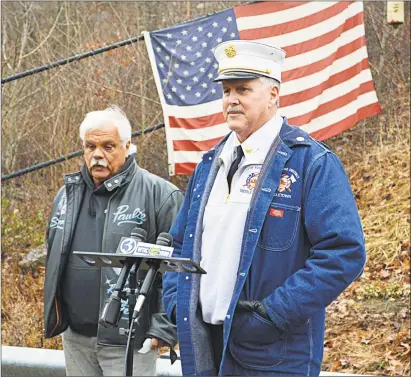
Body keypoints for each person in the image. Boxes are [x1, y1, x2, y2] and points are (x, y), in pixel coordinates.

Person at [162, 40, 366, 376]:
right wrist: (175, 303)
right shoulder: (210, 164)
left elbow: (344, 252)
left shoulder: (311, 162)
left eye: (243, 89)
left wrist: (271, 315)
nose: (231, 99)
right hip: (203, 347)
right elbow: (178, 244)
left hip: (274, 353)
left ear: (273, 94)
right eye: (227, 90)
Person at [44, 105, 184, 376]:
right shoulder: (66, 196)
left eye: (108, 146)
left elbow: (176, 269)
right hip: (76, 338)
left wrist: (165, 327)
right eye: (90, 146)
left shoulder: (161, 195)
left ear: (128, 145)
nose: (97, 154)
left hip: (131, 340)